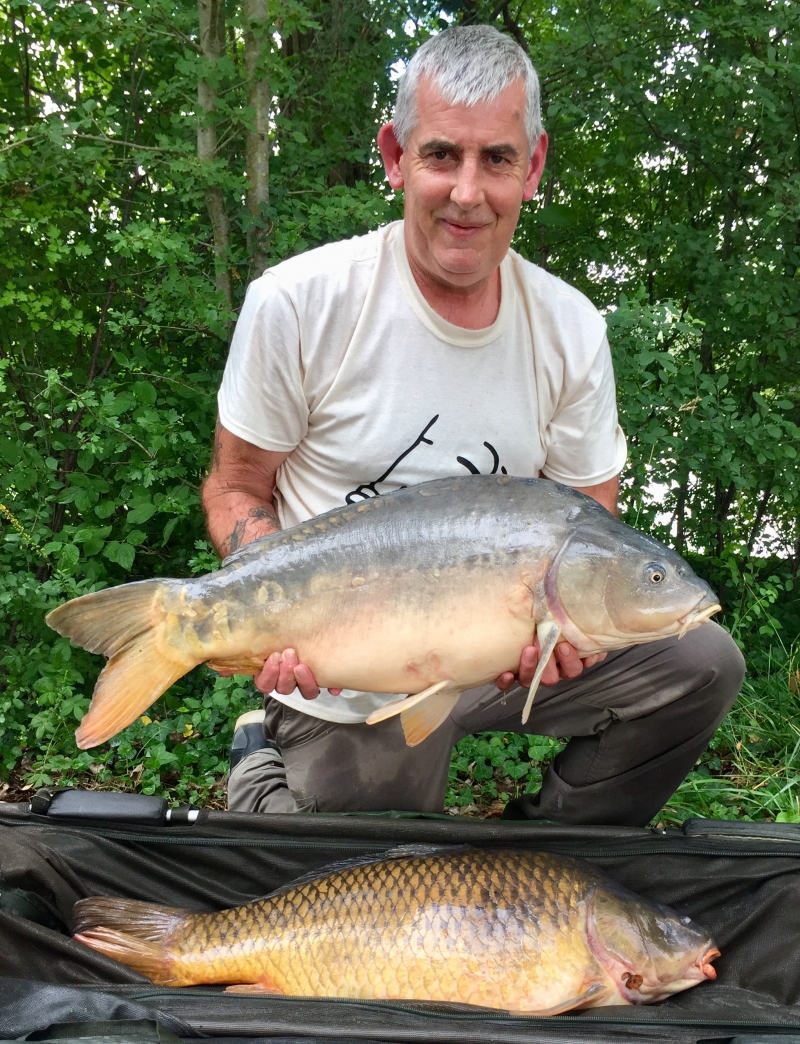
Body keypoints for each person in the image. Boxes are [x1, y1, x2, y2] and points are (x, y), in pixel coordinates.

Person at [202, 25, 744, 824]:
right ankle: (261, 764)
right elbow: (236, 485)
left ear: (533, 168)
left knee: (700, 662)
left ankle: (547, 858)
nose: (467, 191)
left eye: (496, 158)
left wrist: (569, 638)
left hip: (499, 649)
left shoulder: (570, 328)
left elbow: (592, 524)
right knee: (364, 884)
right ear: (394, 156)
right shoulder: (300, 304)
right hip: (351, 666)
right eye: (441, 155)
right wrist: (271, 609)